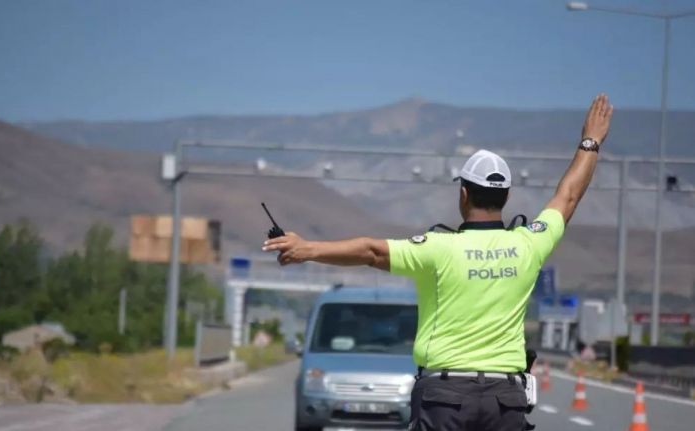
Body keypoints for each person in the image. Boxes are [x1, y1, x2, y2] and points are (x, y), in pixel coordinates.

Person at [262, 94, 613, 431]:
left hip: (445, 397)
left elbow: (371, 251)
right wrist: (590, 142)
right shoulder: (529, 244)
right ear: (506, 196)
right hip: (505, 400)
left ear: (463, 194)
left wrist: (306, 248)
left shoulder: (437, 249)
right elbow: (568, 195)